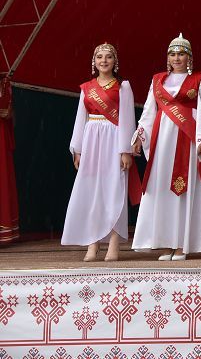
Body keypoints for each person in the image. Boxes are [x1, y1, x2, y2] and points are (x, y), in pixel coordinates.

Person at [132, 34, 201, 260]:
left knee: (183, 188)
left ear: (189, 57)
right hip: (161, 140)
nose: (177, 58)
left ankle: (182, 244)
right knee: (162, 189)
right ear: (167, 57)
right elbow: (149, 110)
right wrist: (140, 135)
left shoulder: (200, 78)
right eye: (173, 54)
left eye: (181, 54)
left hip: (187, 139)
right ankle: (166, 242)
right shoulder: (158, 80)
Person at [62, 44, 138, 261]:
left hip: (114, 139)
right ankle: (92, 244)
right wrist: (77, 149)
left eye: (108, 57)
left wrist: (126, 150)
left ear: (115, 61)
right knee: (92, 192)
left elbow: (127, 119)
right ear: (93, 61)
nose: (104, 61)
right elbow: (80, 119)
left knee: (114, 191)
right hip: (91, 139)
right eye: (99, 57)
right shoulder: (86, 88)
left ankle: (114, 243)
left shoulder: (123, 87)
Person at [0, 75, 17, 244]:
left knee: (2, 179)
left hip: (1, 136)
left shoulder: (5, 83)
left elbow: (9, 112)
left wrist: (8, 113)